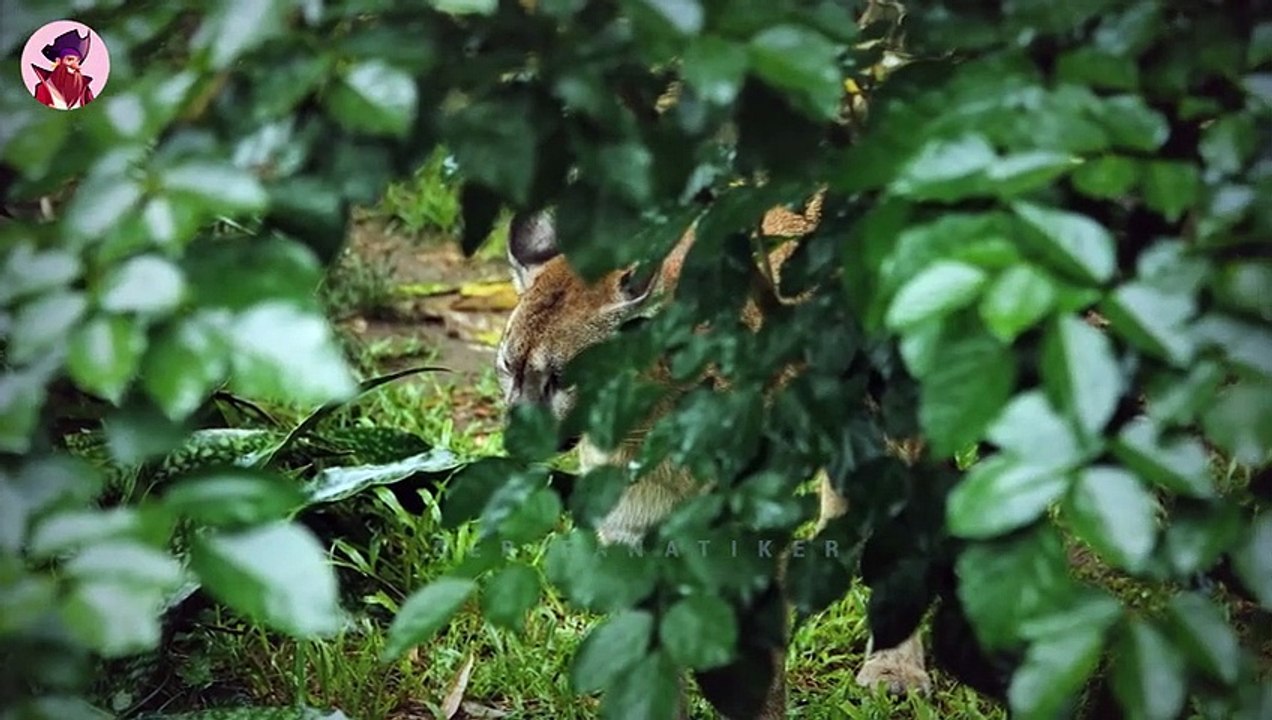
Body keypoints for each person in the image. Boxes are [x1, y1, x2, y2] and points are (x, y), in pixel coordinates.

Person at [31, 29, 96, 109]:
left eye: (78, 61)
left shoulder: (84, 90)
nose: (75, 65)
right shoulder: (43, 88)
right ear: (58, 61)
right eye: (70, 60)